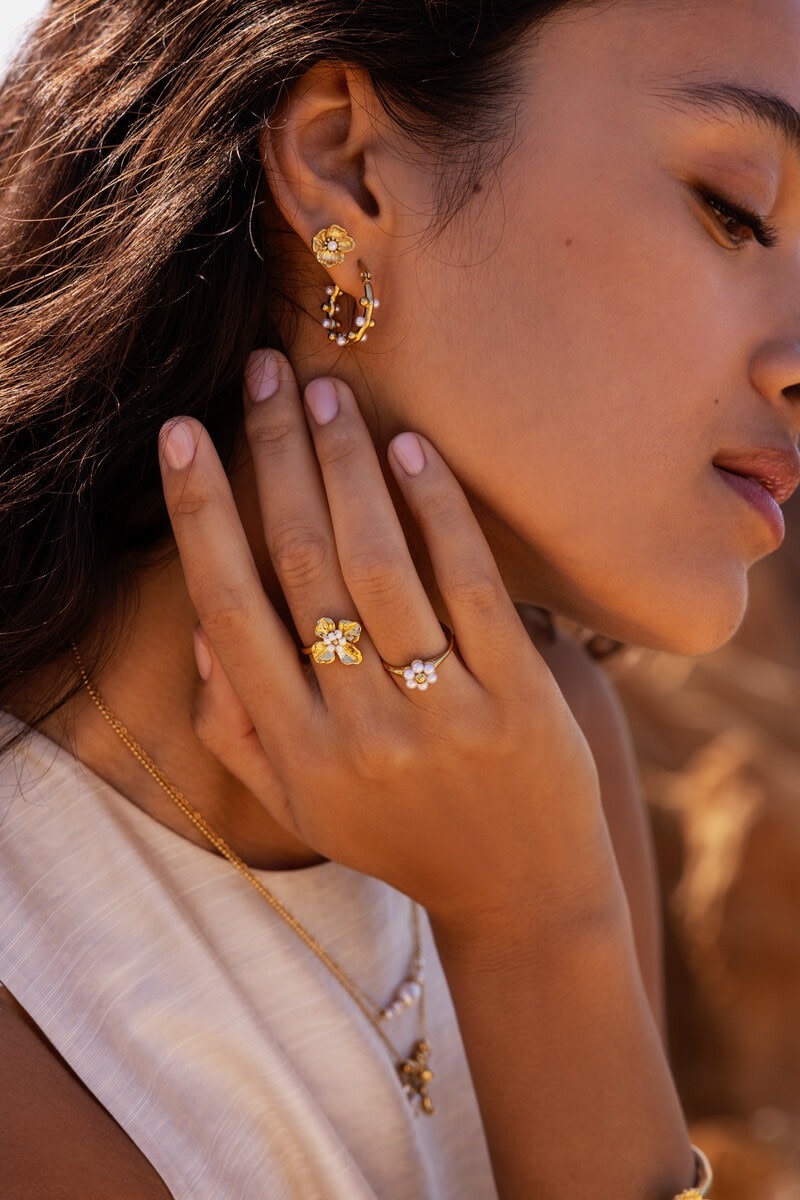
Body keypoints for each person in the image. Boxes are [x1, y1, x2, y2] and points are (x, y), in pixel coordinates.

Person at [0, 0, 797, 1194]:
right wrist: (538, 928)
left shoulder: (533, 747)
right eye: (735, 211)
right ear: (344, 166)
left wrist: (542, 922)